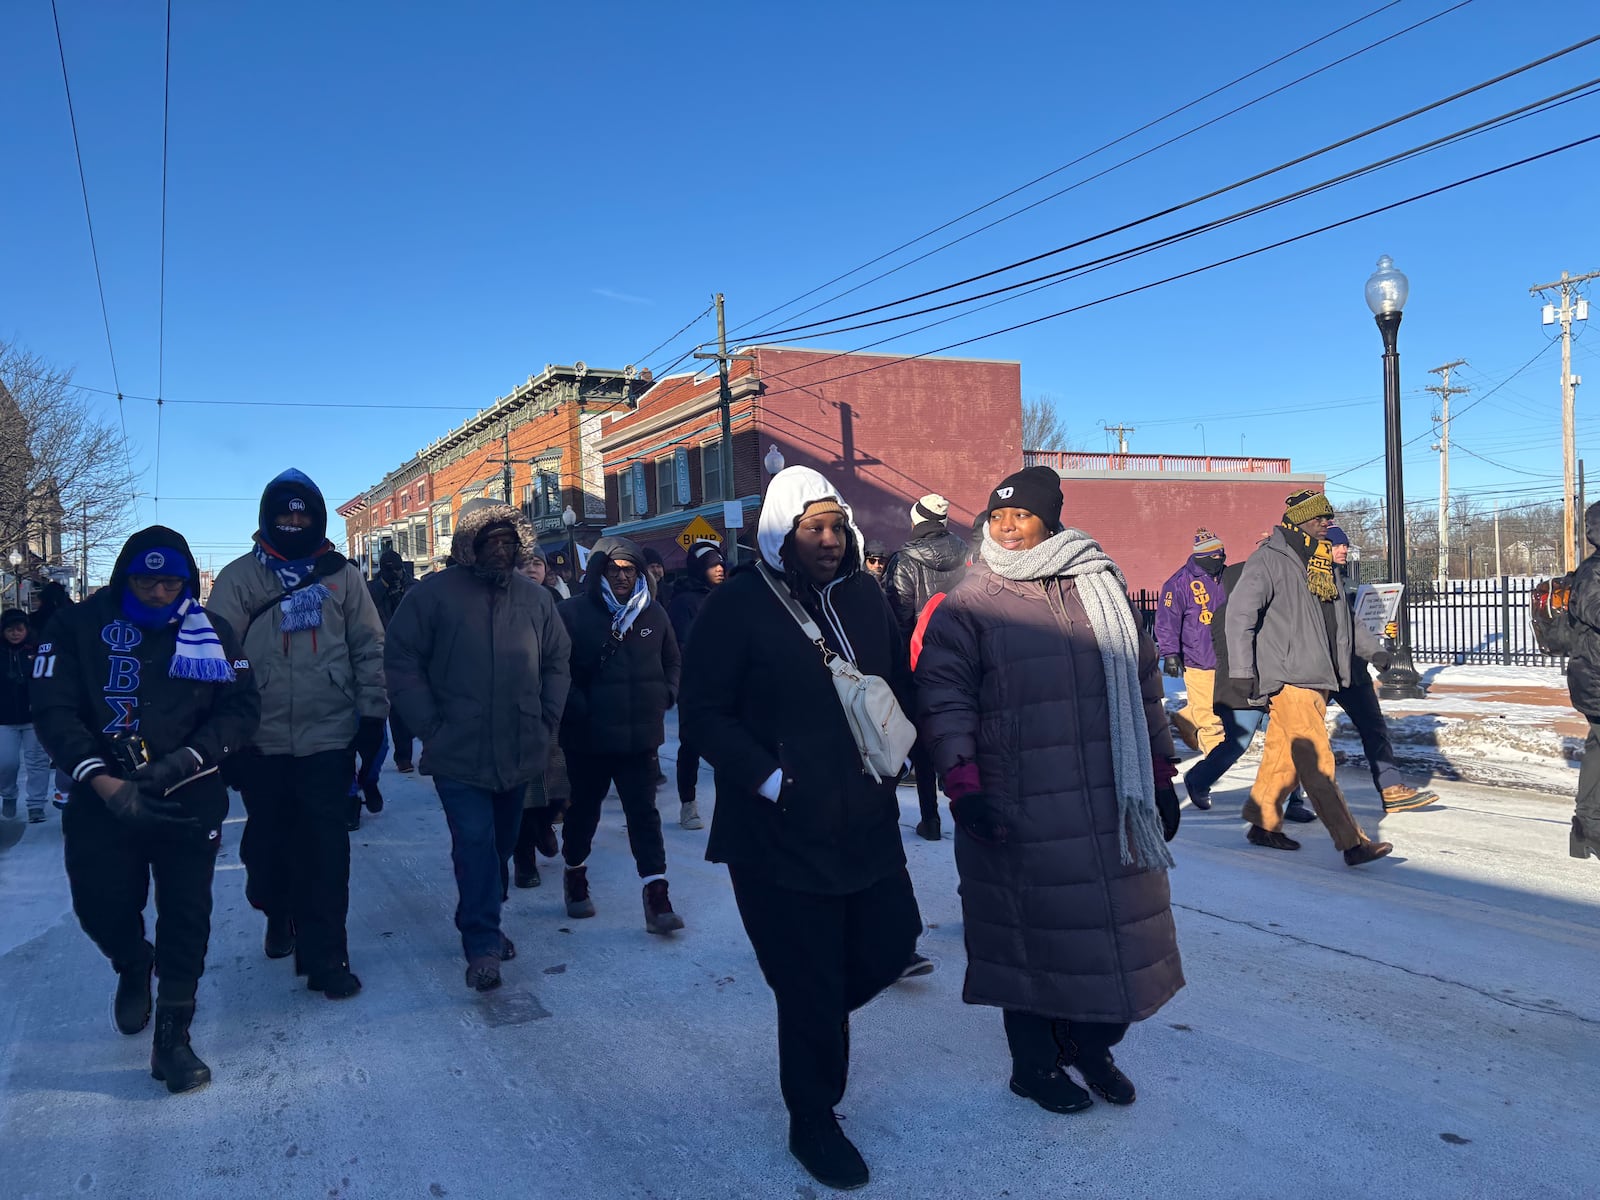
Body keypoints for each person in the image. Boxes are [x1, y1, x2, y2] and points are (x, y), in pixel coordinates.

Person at [680, 466, 922, 1192]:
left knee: (891, 943)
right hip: (778, 829)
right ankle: (812, 1116)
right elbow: (703, 715)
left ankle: (811, 1015)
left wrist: (912, 752)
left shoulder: (864, 595)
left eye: (836, 526)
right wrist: (775, 781)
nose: (828, 540)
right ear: (783, 531)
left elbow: (894, 685)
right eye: (813, 528)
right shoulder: (739, 605)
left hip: (866, 815)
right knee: (810, 979)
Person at [916, 465, 1183, 1119]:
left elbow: (1143, 685)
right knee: (1029, 941)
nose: (1005, 526)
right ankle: (1033, 1067)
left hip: (1108, 799)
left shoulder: (1103, 588)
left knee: (1109, 939)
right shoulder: (970, 602)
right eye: (997, 514)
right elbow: (945, 697)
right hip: (1018, 802)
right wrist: (963, 783)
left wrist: (1157, 775)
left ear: (1050, 521)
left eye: (1021, 514)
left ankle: (1092, 1046)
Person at [31, 526, 260, 1093]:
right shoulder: (75, 626)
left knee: (187, 913)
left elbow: (241, 709)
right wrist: (105, 782)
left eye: (171, 582)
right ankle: (132, 961)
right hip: (99, 797)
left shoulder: (214, 632)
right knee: (100, 906)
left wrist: (187, 759)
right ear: (124, 576)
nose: (159, 593)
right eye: (146, 580)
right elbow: (53, 708)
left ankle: (173, 1037)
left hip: (188, 795)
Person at [208, 469, 387, 999]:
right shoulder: (240, 579)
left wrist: (373, 715)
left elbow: (368, 647)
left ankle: (326, 954)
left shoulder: (343, 577)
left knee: (326, 853)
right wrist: (226, 740)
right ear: (268, 518)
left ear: (317, 518)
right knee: (265, 851)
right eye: (284, 514)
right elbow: (217, 659)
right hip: (259, 742)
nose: (293, 522)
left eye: (302, 514)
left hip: (327, 737)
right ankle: (276, 908)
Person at [385, 500, 571, 991]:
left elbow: (557, 661)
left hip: (520, 745)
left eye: (509, 542)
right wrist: (431, 726)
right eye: (491, 542)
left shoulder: (536, 600)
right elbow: (401, 661)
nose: (501, 550)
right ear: (469, 545)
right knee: (474, 842)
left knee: (502, 843)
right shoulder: (432, 596)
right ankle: (482, 943)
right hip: (458, 752)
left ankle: (487, 913)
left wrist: (546, 717)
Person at [1223, 490, 1393, 866]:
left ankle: (1263, 822)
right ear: (1301, 522)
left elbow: (1344, 622)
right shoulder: (1269, 560)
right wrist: (1241, 672)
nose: (1327, 525)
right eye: (1321, 520)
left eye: (1329, 520)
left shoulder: (1322, 564)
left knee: (1283, 754)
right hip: (1289, 677)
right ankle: (1352, 842)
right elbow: (1239, 616)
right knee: (1317, 760)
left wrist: (1375, 652)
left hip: (1318, 676)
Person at [557, 536, 684, 934]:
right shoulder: (572, 614)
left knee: (644, 816)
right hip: (589, 739)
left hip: (639, 737)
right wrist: (578, 707)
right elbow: (556, 670)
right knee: (583, 813)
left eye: (630, 569)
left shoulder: (654, 613)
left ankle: (657, 896)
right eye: (614, 570)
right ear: (599, 574)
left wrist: (667, 693)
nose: (623, 577)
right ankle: (575, 875)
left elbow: (672, 661)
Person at [1181, 532, 1314, 824]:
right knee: (1237, 744)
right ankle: (1198, 778)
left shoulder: (1267, 612)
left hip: (1272, 685)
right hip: (1239, 690)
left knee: (1291, 740)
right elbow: (1235, 656)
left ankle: (1293, 800)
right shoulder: (1227, 616)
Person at [1324, 526, 1436, 814]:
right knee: (1301, 735)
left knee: (1375, 729)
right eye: (1337, 546)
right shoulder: (1313, 583)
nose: (1343, 550)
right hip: (1321, 670)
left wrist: (1379, 632)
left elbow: (1357, 625)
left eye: (1345, 546)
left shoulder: (1349, 583)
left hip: (1355, 670)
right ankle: (1289, 798)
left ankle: (1391, 788)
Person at [884, 493, 968, 841]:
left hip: (917, 663)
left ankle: (929, 819)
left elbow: (897, 620)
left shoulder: (904, 559)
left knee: (918, 741)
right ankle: (966, 811)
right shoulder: (968, 554)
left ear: (917, 520)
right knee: (960, 732)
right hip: (963, 660)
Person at [512, 546, 573, 889]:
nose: (532, 568)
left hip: (553, 705)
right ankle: (524, 861)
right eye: (524, 563)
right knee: (524, 788)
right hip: (513, 708)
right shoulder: (504, 604)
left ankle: (543, 825)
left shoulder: (558, 602)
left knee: (558, 785)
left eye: (537, 562)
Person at [667, 540, 725, 831]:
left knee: (726, 746)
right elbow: (682, 645)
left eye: (721, 563)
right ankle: (688, 804)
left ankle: (729, 806)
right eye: (713, 564)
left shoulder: (724, 597)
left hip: (727, 684)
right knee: (691, 745)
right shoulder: (683, 602)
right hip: (695, 685)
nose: (720, 569)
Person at [1157, 528, 1229, 757]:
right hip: (1199, 659)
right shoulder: (1178, 583)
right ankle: (1214, 766)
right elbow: (1166, 620)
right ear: (1202, 556)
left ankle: (1186, 717)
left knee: (1224, 707)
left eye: (1222, 554)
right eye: (1214, 555)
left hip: (1228, 658)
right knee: (1211, 717)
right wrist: (1170, 653)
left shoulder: (1227, 577)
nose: (1219, 559)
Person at [1568, 501, 1600, 861]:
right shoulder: (1592, 572)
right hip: (1594, 677)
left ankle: (1584, 830)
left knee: (1597, 750)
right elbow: (1595, 611)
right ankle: (1589, 826)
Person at [367, 550, 418, 772]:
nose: (394, 572)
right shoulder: (373, 588)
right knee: (397, 708)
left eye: (396, 568)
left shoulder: (413, 586)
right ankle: (403, 756)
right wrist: (385, 584)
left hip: (415, 651)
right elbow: (367, 604)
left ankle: (429, 751)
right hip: (387, 652)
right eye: (388, 568)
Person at [2, 608, 53, 823]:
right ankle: (8, 794)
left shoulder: (38, 650)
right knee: (6, 762)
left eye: (19, 629)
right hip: (4, 718)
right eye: (10, 630)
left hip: (34, 717)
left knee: (38, 762)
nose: (15, 634)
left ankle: (36, 804)